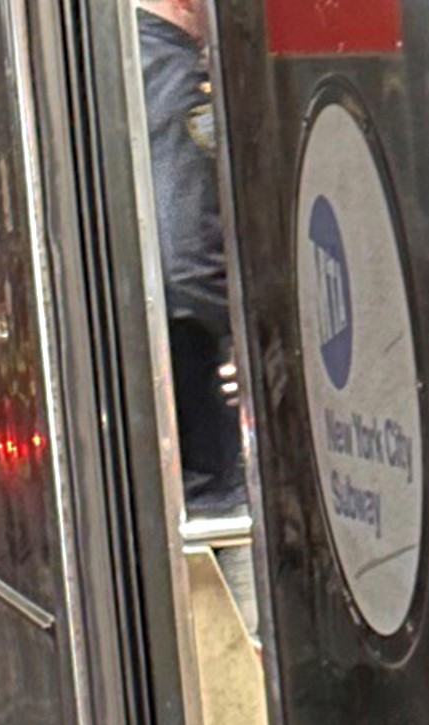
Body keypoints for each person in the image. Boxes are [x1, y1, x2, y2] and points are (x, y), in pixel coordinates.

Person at [138, 0, 243, 517]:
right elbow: (185, 250)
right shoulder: (177, 76)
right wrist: (246, 334)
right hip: (196, 373)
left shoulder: (129, 61)